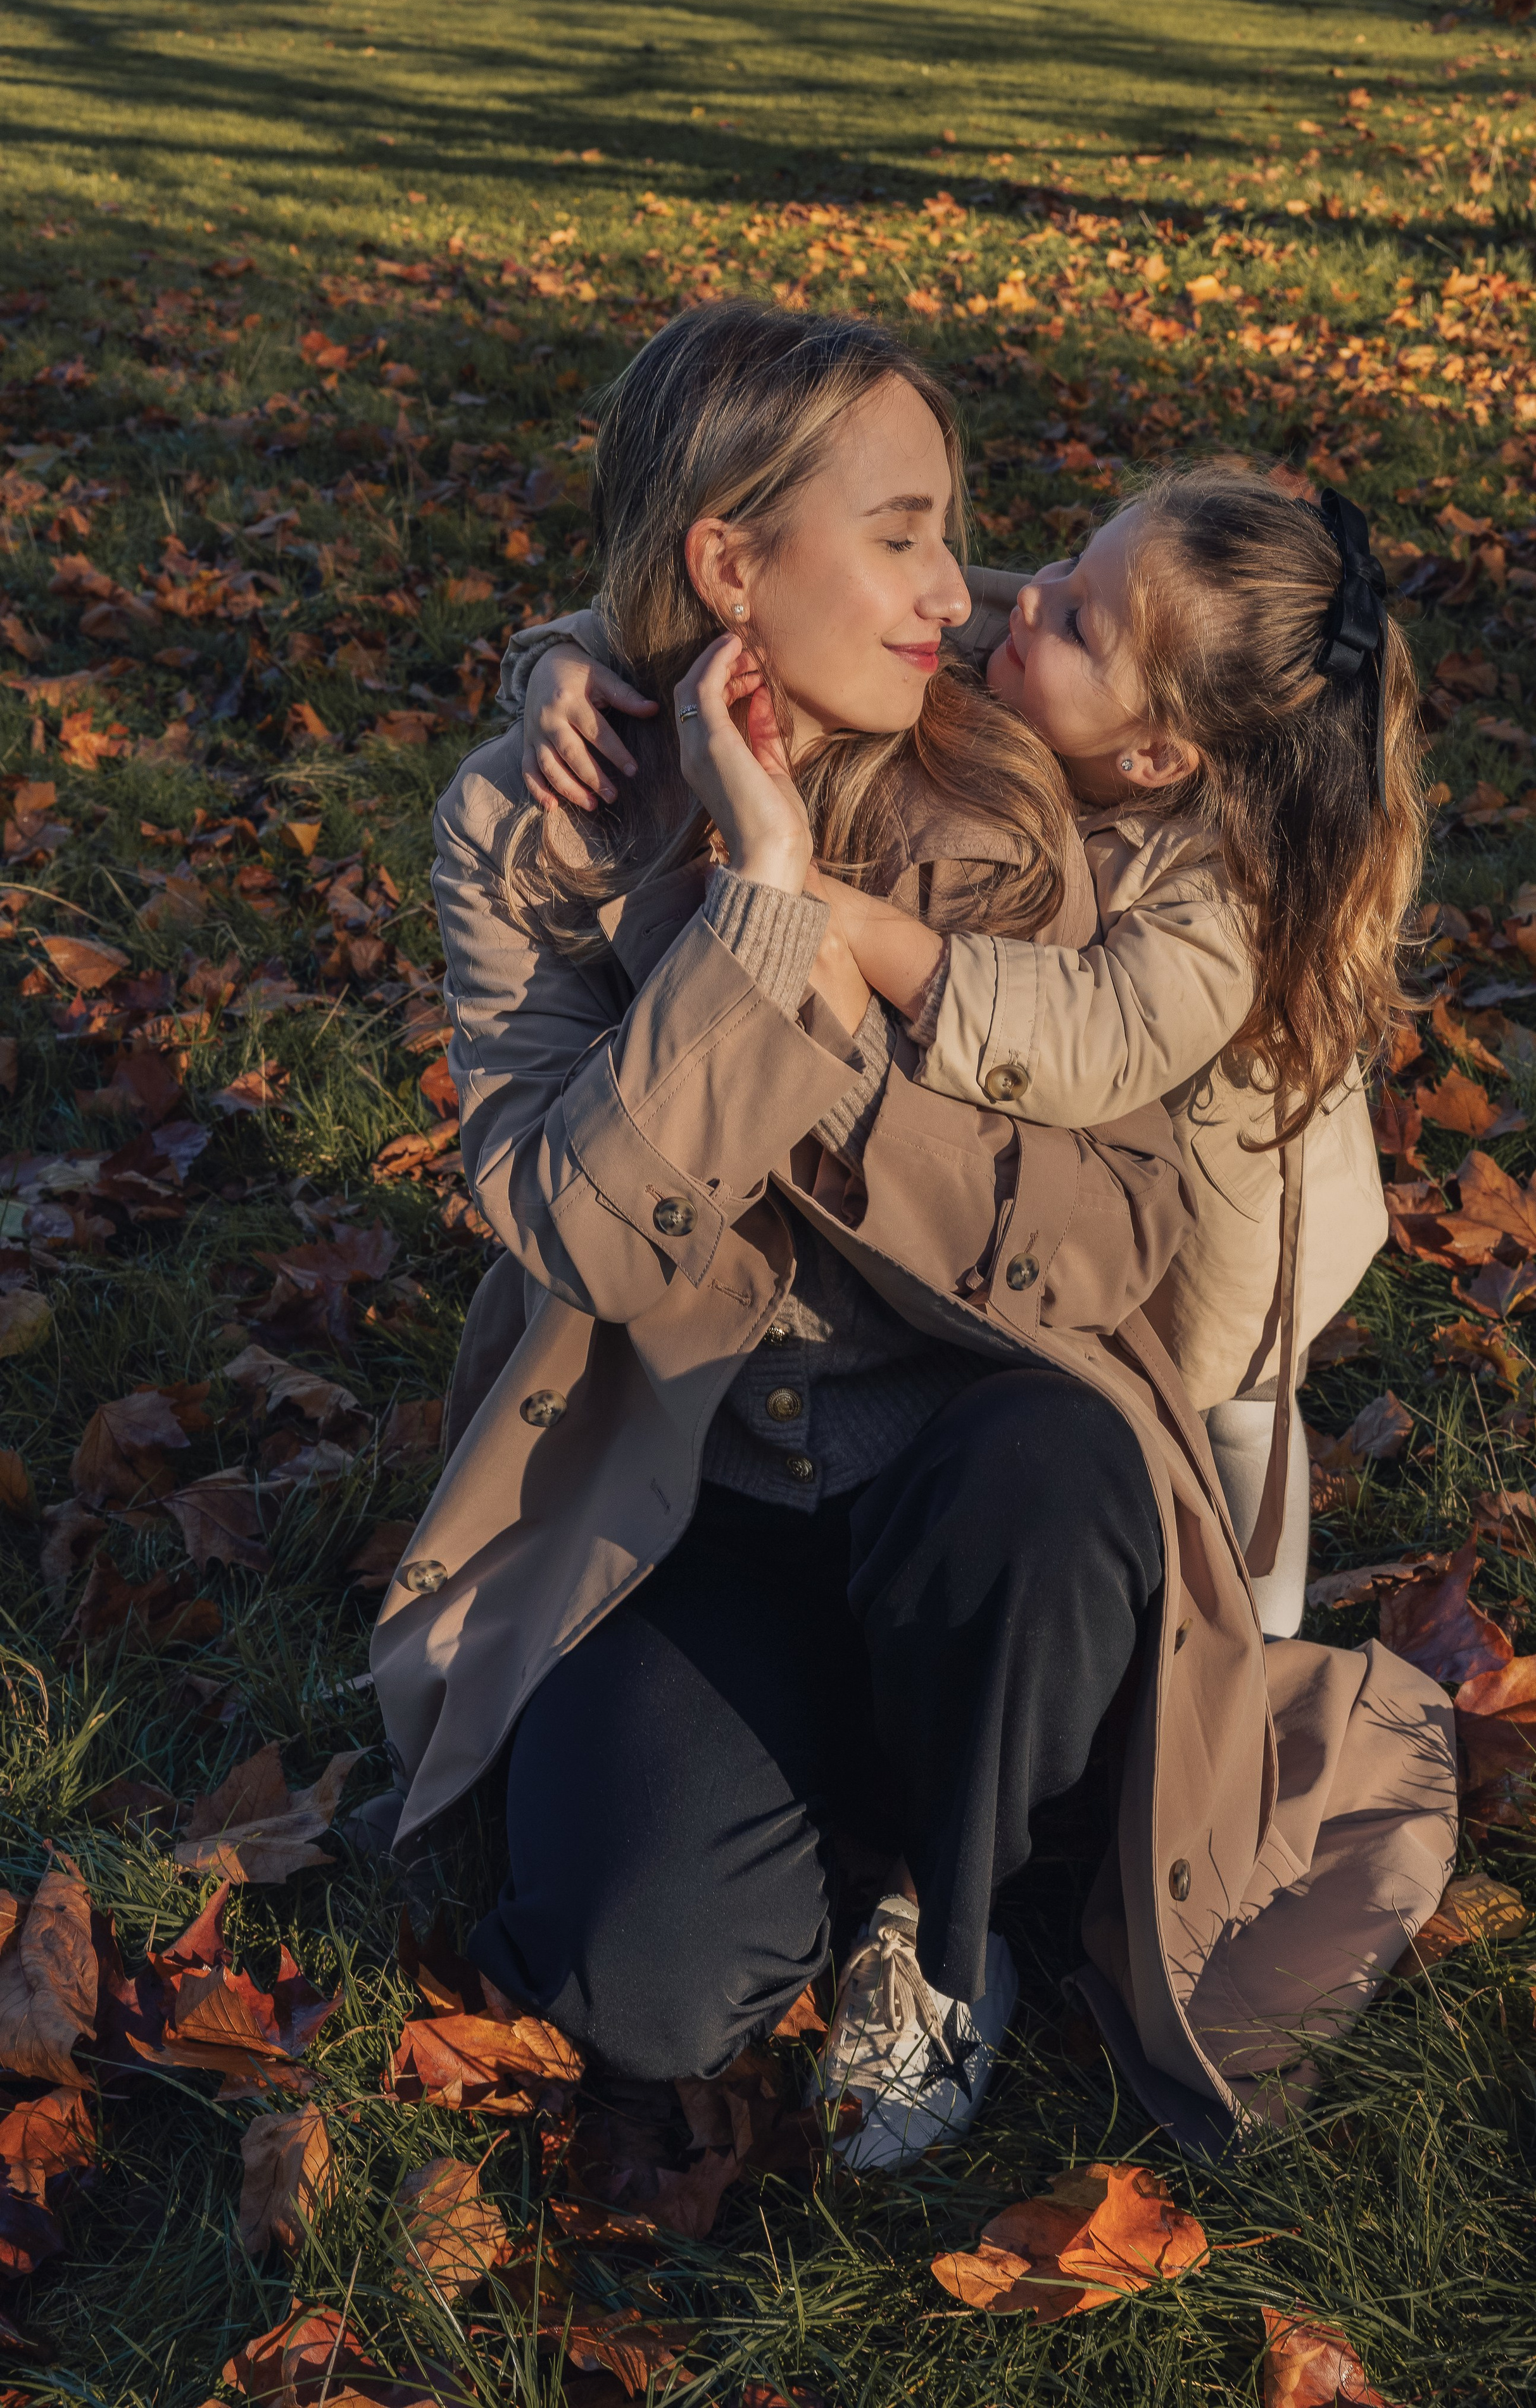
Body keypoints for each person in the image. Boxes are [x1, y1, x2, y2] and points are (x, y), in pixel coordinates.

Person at [371, 301, 1456, 2174]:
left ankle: (954, 1926)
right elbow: (583, 1233)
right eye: (906, 535)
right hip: (691, 1478)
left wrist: (810, 984)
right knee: (635, 1983)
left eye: (957, 535)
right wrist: (748, 895)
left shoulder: (1025, 784)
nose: (962, 592)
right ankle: (847, 1807)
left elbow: (1106, 1244)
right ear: (727, 564)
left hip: (981, 1474)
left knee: (1055, 1470)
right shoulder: (525, 828)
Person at [510, 469, 1425, 1641]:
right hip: (1077, 1179)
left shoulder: (1226, 899)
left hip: (1228, 1228)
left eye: (1080, 619)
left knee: (1236, 1421)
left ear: (1154, 758)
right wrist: (560, 663)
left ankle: (1262, 1643)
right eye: (1067, 567)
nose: (1028, 599)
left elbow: (1097, 1029)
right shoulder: (1046, 636)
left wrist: (855, 921)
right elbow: (821, 603)